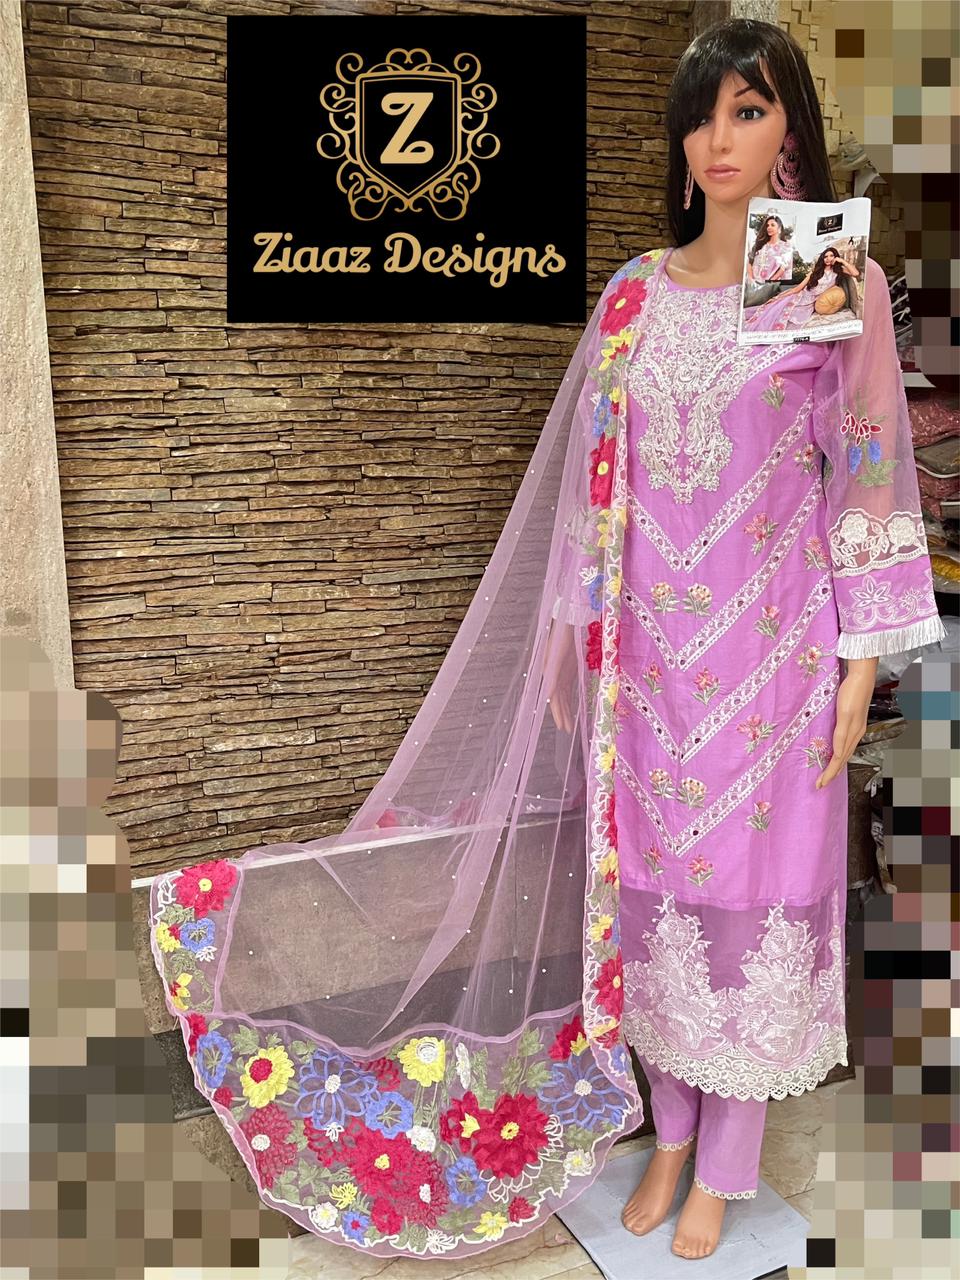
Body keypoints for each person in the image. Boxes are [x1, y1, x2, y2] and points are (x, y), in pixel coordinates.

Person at [547, 16, 944, 1262]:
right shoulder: (633, 295)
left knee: (753, 897)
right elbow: (589, 485)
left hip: (776, 659)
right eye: (704, 113)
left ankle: (728, 1158)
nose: (720, 138)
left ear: (790, 132)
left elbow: (867, 464)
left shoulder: (820, 273)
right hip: (646, 664)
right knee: (657, 899)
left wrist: (863, 660)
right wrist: (572, 634)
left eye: (750, 109)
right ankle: (668, 1134)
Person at [744, 245, 860, 332]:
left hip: (811, 303)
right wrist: (779, 297)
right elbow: (797, 288)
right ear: (822, 259)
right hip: (801, 297)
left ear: (835, 257)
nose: (828, 259)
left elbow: (855, 273)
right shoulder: (815, 272)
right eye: (825, 256)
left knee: (794, 317)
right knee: (777, 312)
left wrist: (842, 261)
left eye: (831, 256)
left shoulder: (839, 271)